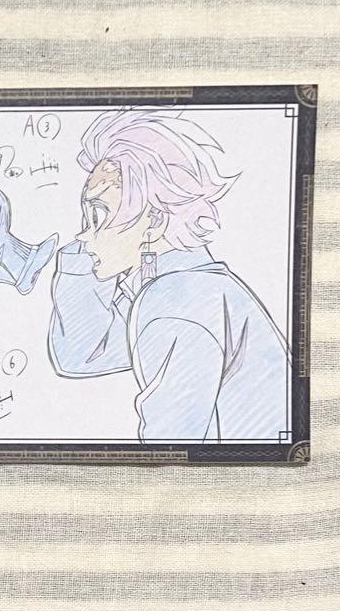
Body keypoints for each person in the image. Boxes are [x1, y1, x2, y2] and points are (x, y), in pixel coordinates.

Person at [48, 108, 290, 443]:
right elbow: (82, 355)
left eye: (99, 216)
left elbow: (173, 447)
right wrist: (82, 257)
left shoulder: (179, 300)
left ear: (155, 221)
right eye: (86, 217)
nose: (83, 235)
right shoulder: (178, 285)